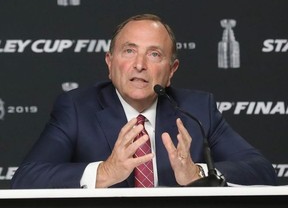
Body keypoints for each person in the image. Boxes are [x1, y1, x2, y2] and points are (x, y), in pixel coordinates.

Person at [11, 14, 277, 188]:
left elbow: (262, 171)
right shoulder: (77, 108)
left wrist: (199, 173)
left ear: (171, 70)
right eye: (129, 51)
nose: (139, 65)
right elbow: (26, 179)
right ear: (109, 62)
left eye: (154, 54)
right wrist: (104, 172)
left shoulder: (197, 110)